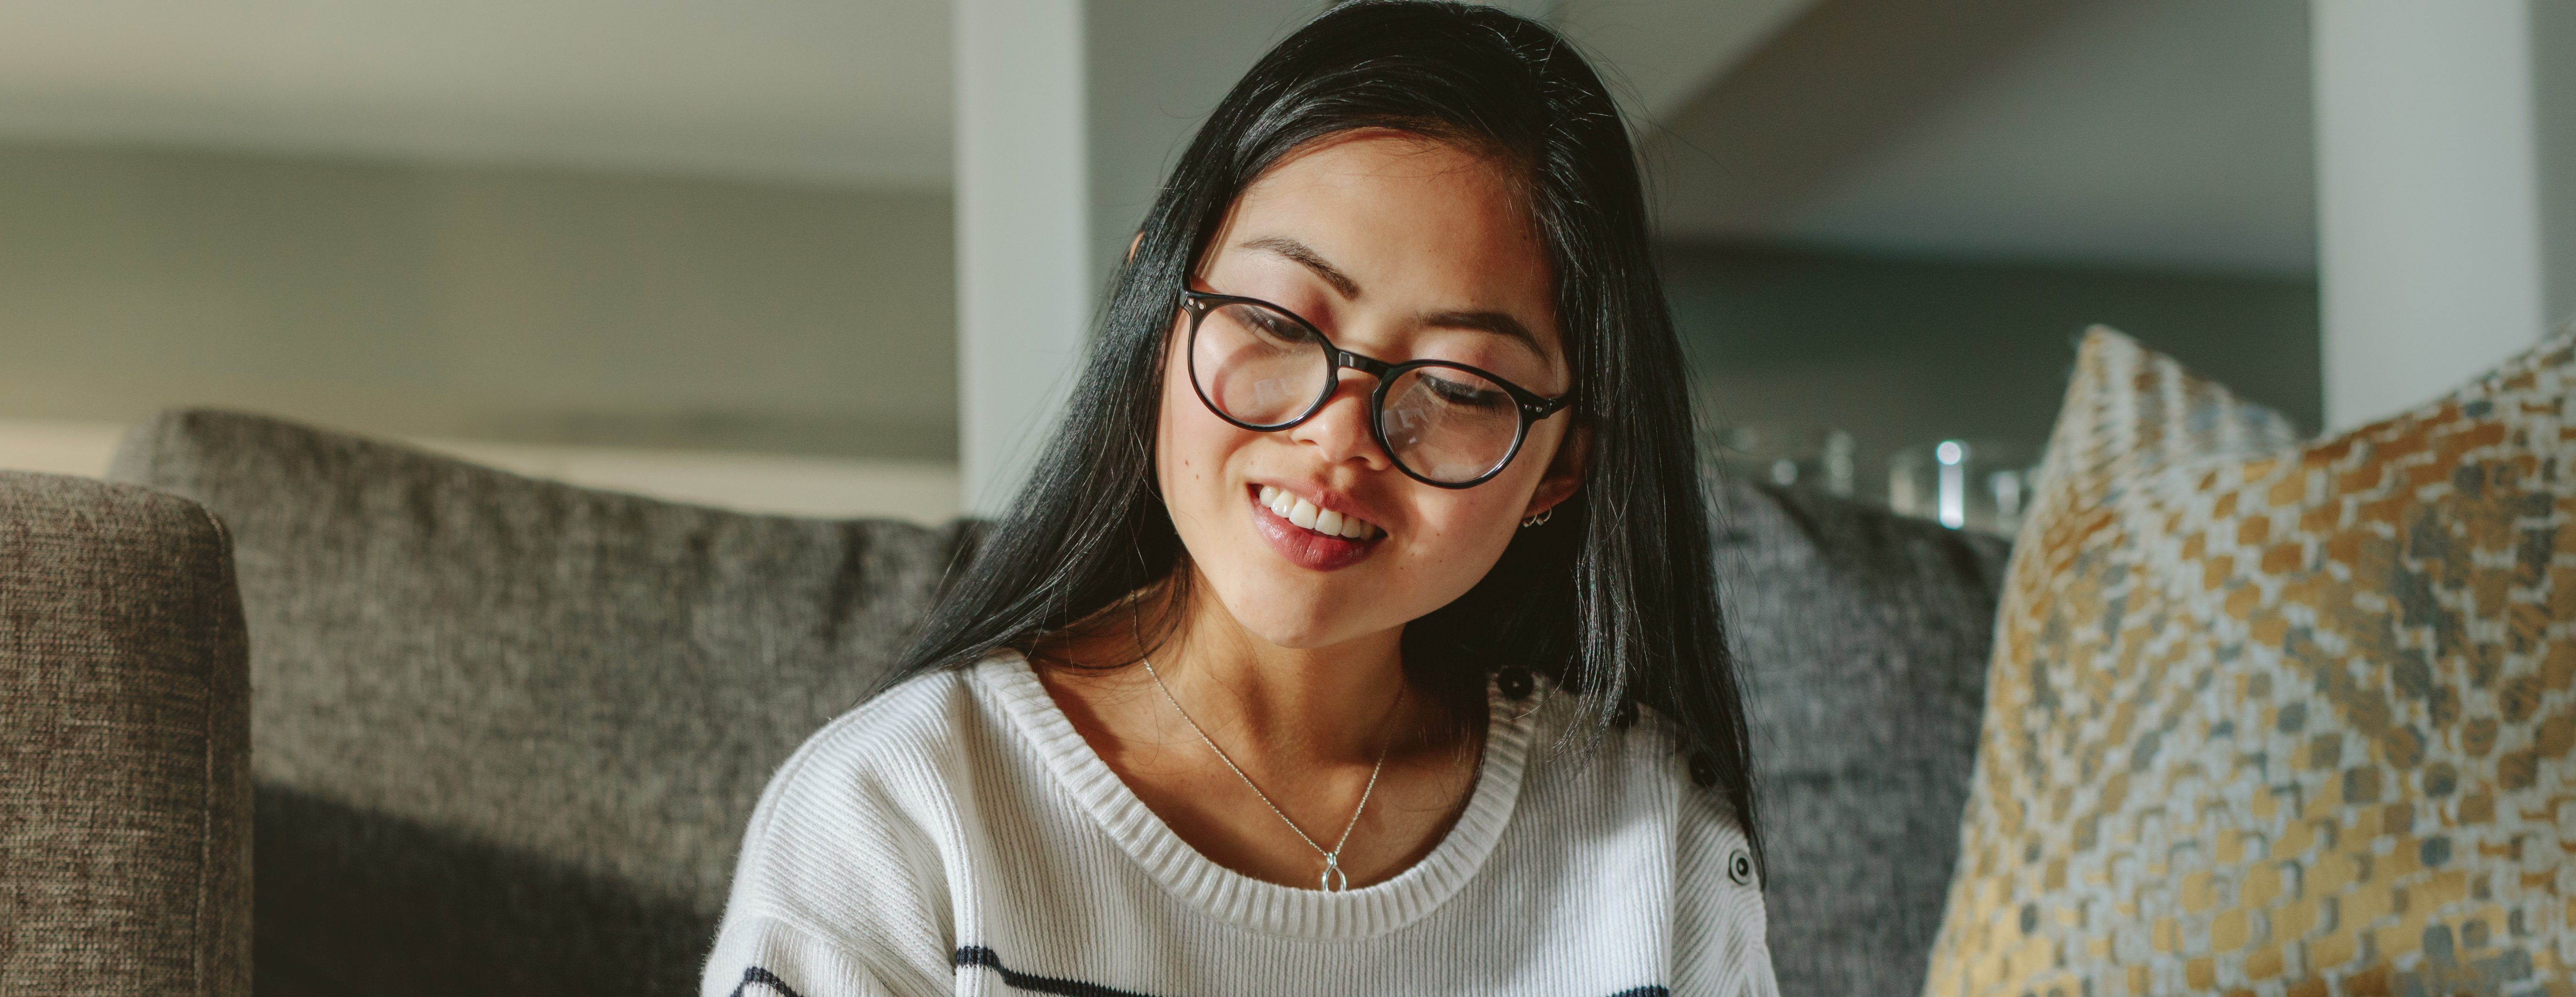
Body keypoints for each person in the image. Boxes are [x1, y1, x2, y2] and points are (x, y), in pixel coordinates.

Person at [696, 4, 1772, 993]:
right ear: (1156, 317)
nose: (1338, 438)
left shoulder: (1651, 833)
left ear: (1563, 465)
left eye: (1454, 386)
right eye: (1275, 323)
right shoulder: (901, 812)